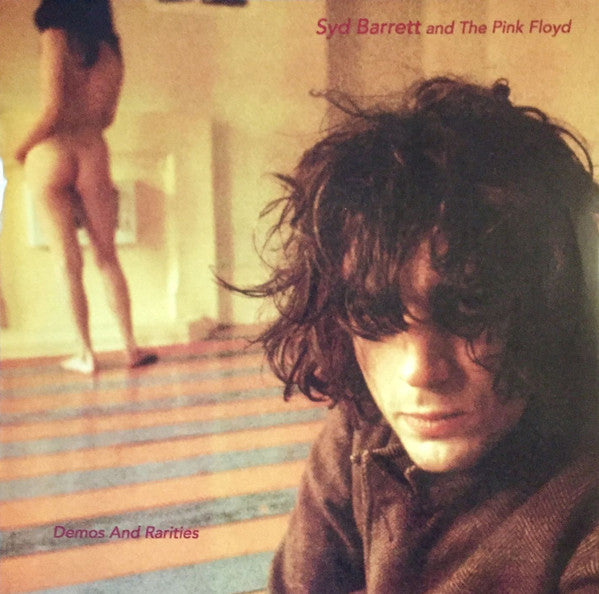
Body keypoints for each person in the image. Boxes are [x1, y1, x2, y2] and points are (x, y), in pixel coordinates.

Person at [236, 77, 599, 591]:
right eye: (375, 314)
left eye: (469, 309)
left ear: (554, 300)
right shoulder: (360, 433)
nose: (420, 372)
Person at [15, 0, 156, 373]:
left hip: (52, 152)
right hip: (93, 149)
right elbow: (107, 116)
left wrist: (19, 150)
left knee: (66, 260)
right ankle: (130, 347)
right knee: (107, 255)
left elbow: (53, 109)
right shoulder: (110, 49)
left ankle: (86, 354)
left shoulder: (56, 35)